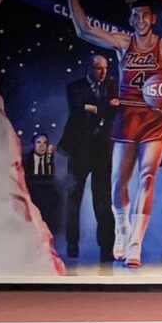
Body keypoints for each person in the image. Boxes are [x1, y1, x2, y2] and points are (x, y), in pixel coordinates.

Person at [64, 0, 162, 269]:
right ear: (131, 19)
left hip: (153, 119)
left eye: (145, 15)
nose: (140, 20)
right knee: (118, 183)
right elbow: (83, 30)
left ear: (153, 19)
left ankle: (135, 245)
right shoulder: (123, 43)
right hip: (126, 117)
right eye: (135, 16)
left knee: (148, 177)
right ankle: (123, 228)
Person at [59, 54, 117, 262]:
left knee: (103, 199)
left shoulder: (112, 86)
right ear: (89, 68)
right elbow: (77, 108)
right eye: (98, 68)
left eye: (105, 68)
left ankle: (107, 247)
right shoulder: (75, 87)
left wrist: (93, 108)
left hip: (102, 150)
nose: (103, 72)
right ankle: (72, 243)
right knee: (74, 197)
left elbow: (114, 110)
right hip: (79, 149)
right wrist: (103, 108)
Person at [21, 132, 62, 241]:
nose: (42, 145)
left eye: (44, 143)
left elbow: (52, 177)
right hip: (31, 192)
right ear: (33, 144)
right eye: (38, 142)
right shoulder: (26, 159)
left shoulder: (49, 158)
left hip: (47, 193)